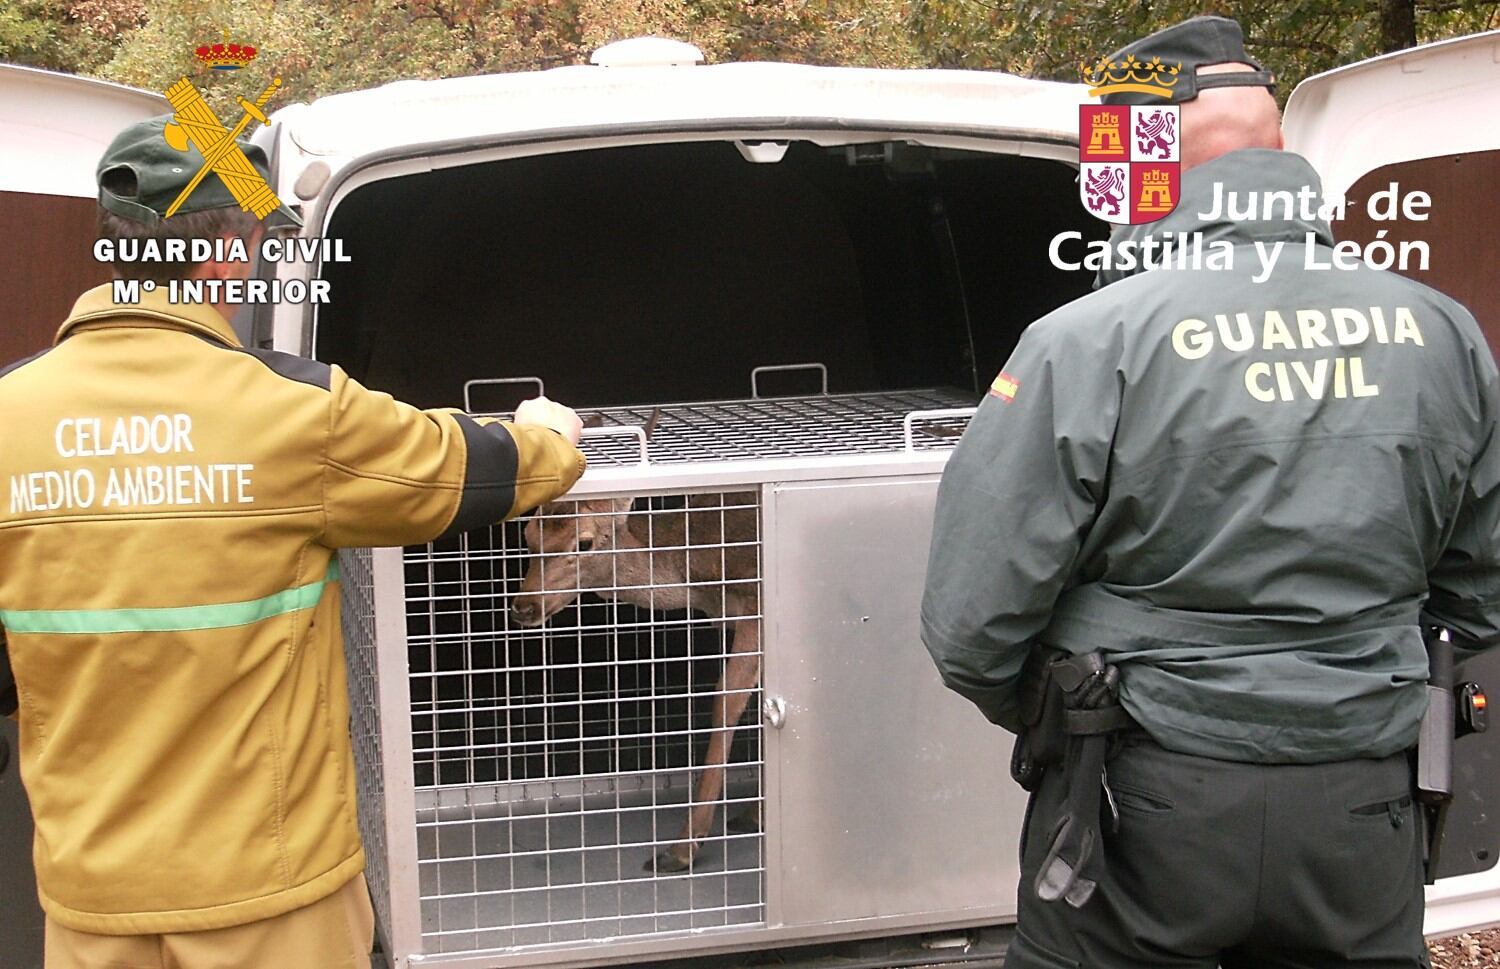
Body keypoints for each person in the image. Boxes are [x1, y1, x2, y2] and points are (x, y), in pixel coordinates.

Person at [921, 16, 1499, 969]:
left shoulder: (1086, 337)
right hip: (1364, 802)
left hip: (1140, 798)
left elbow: (971, 622)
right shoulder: (1444, 332)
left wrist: (1065, 703)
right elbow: (1477, 590)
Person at [0, 116, 587, 969]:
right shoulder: (293, 409)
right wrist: (548, 436)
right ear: (224, 256)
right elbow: (453, 468)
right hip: (273, 902)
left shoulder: (10, 413)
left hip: (93, 902)